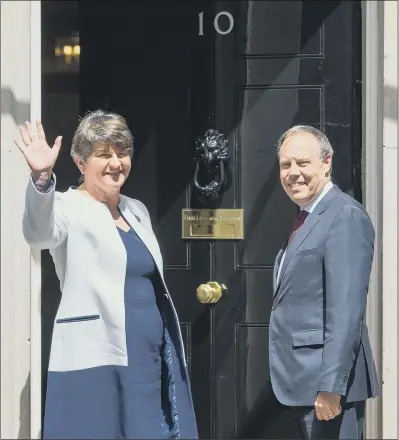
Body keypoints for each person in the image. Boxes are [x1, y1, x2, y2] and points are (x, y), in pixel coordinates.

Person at [15, 110, 198, 440]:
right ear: (81, 163)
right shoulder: (66, 206)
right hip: (97, 358)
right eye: (103, 154)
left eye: (122, 152)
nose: (116, 162)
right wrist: (41, 179)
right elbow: (38, 233)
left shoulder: (136, 209)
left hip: (149, 357)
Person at [269, 125, 380, 439]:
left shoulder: (343, 215)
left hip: (327, 391)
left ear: (326, 162)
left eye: (303, 163)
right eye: (285, 165)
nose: (293, 173)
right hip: (301, 384)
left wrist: (331, 388)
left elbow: (345, 312)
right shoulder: (307, 217)